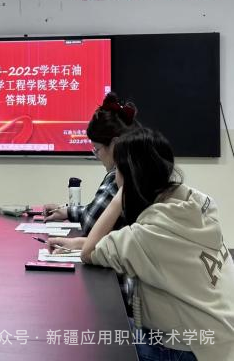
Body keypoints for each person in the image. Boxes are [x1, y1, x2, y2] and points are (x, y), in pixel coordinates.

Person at [82, 128, 234, 361]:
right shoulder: (196, 205)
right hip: (223, 339)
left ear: (129, 176)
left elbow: (89, 252)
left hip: (191, 349)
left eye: (118, 171)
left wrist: (119, 196)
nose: (114, 177)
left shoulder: (146, 236)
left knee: (100, 333)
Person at [43, 92, 141, 245]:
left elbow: (91, 224)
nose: (97, 156)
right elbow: (99, 211)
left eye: (97, 149)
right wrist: (68, 211)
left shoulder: (120, 175)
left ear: (115, 145)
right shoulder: (141, 167)